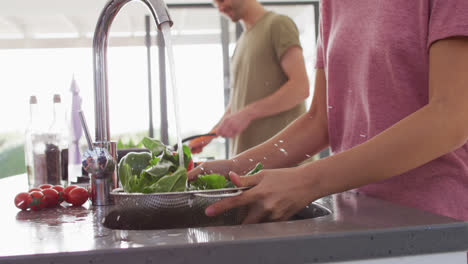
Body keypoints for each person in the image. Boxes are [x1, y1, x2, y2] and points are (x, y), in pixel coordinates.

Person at [188, 0, 468, 224]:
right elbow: (321, 121)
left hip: (435, 225)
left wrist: (308, 181)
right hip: (351, 214)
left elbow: (451, 117)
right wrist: (232, 169)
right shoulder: (332, 3)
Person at [189, 0, 310, 157]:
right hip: (250, 166)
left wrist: (248, 113)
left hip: (284, 165)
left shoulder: (278, 24)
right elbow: (238, 103)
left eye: (221, 0)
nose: (220, 7)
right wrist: (210, 135)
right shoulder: (241, 43)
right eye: (215, 3)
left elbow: (300, 88)